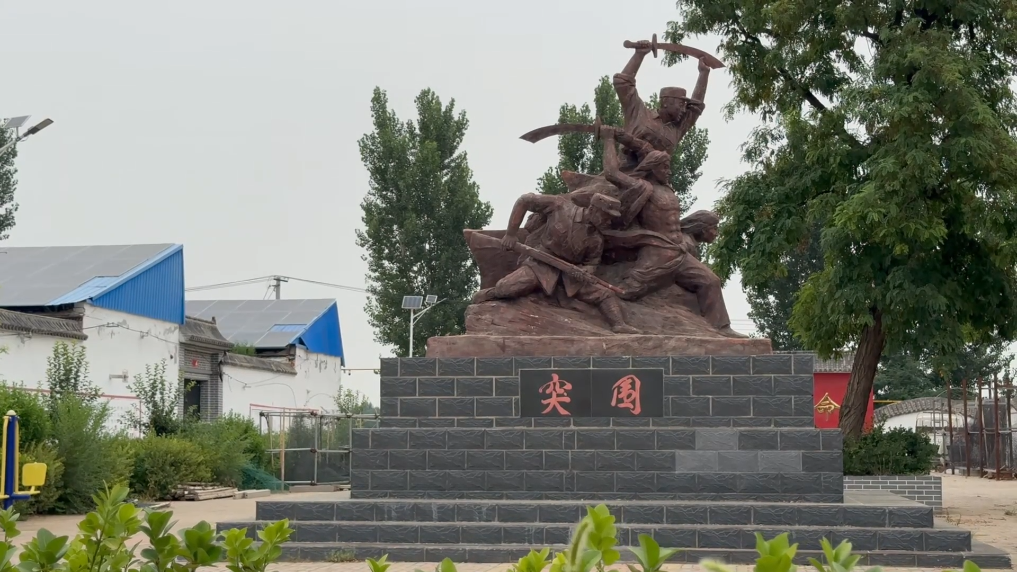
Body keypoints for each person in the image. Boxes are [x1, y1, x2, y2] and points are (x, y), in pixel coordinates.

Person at [599, 129, 746, 338]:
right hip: (657, 252)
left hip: (679, 252)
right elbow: (612, 173)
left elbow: (646, 149)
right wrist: (608, 139)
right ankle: (593, 308)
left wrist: (626, 138)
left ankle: (721, 328)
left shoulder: (668, 189)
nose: (669, 171)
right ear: (653, 168)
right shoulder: (642, 187)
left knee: (710, 281)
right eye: (664, 167)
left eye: (669, 167)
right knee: (626, 291)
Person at [473, 192, 640, 334]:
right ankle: (489, 295)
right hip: (542, 264)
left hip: (570, 274)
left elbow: (592, 262)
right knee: (507, 288)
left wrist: (586, 271)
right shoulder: (560, 206)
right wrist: (511, 233)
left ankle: (619, 325)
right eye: (606, 216)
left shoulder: (596, 239)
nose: (608, 222)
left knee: (605, 294)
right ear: (594, 209)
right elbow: (525, 200)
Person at [613, 41, 711, 172]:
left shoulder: (677, 129)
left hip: (655, 180)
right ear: (666, 102)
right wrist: (639, 55)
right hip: (624, 175)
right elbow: (622, 84)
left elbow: (695, 108)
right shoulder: (639, 113)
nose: (684, 109)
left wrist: (703, 73)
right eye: (680, 105)